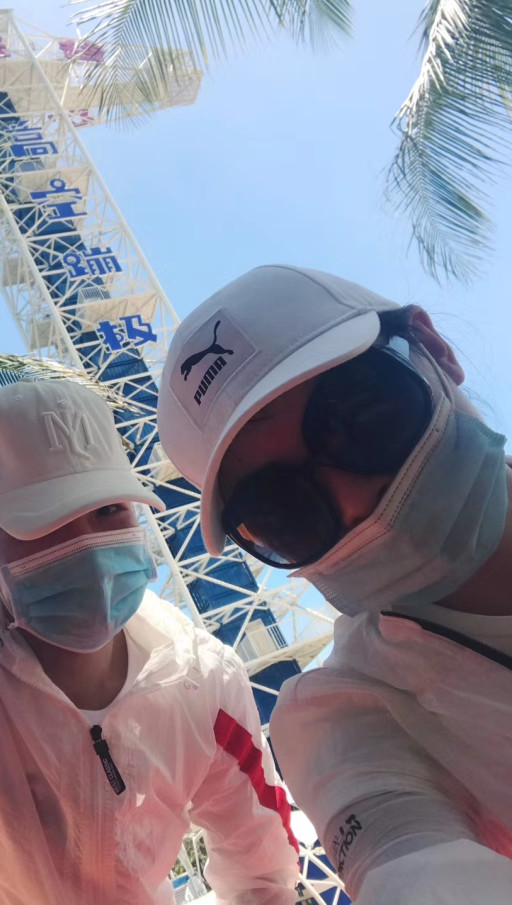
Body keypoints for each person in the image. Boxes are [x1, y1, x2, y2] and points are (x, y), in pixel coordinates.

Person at [0, 379, 300, 905]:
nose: (90, 547)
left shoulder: (205, 679)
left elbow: (265, 876)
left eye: (108, 510)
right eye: (46, 525)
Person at [157, 265, 512, 904]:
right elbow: (411, 869)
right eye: (283, 510)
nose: (355, 504)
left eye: (363, 419)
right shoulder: (345, 716)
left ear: (434, 349)